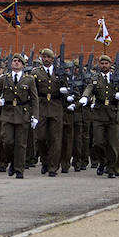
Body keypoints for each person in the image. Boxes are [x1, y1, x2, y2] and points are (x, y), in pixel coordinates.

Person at [0, 54, 39, 178]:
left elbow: (34, 99)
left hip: (22, 113)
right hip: (8, 113)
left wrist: (35, 116)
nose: (16, 63)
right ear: (11, 64)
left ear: (23, 65)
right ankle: (13, 162)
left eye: (19, 61)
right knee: (7, 141)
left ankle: (19, 169)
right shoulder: (4, 78)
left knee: (21, 143)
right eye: (14, 61)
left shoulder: (29, 79)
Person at [80, 54, 119, 178]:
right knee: (97, 142)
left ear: (110, 65)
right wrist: (85, 97)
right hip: (99, 113)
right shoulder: (95, 78)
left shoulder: (116, 78)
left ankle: (111, 168)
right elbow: (89, 88)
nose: (104, 66)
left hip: (112, 113)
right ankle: (103, 162)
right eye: (102, 63)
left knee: (113, 144)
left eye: (106, 63)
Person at [32, 48, 67, 177]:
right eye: (44, 57)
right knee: (40, 137)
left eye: (48, 57)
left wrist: (65, 92)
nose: (46, 59)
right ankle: (45, 161)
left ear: (53, 59)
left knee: (55, 138)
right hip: (41, 106)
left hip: (56, 105)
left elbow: (69, 87)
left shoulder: (60, 72)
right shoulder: (36, 73)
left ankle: (53, 167)